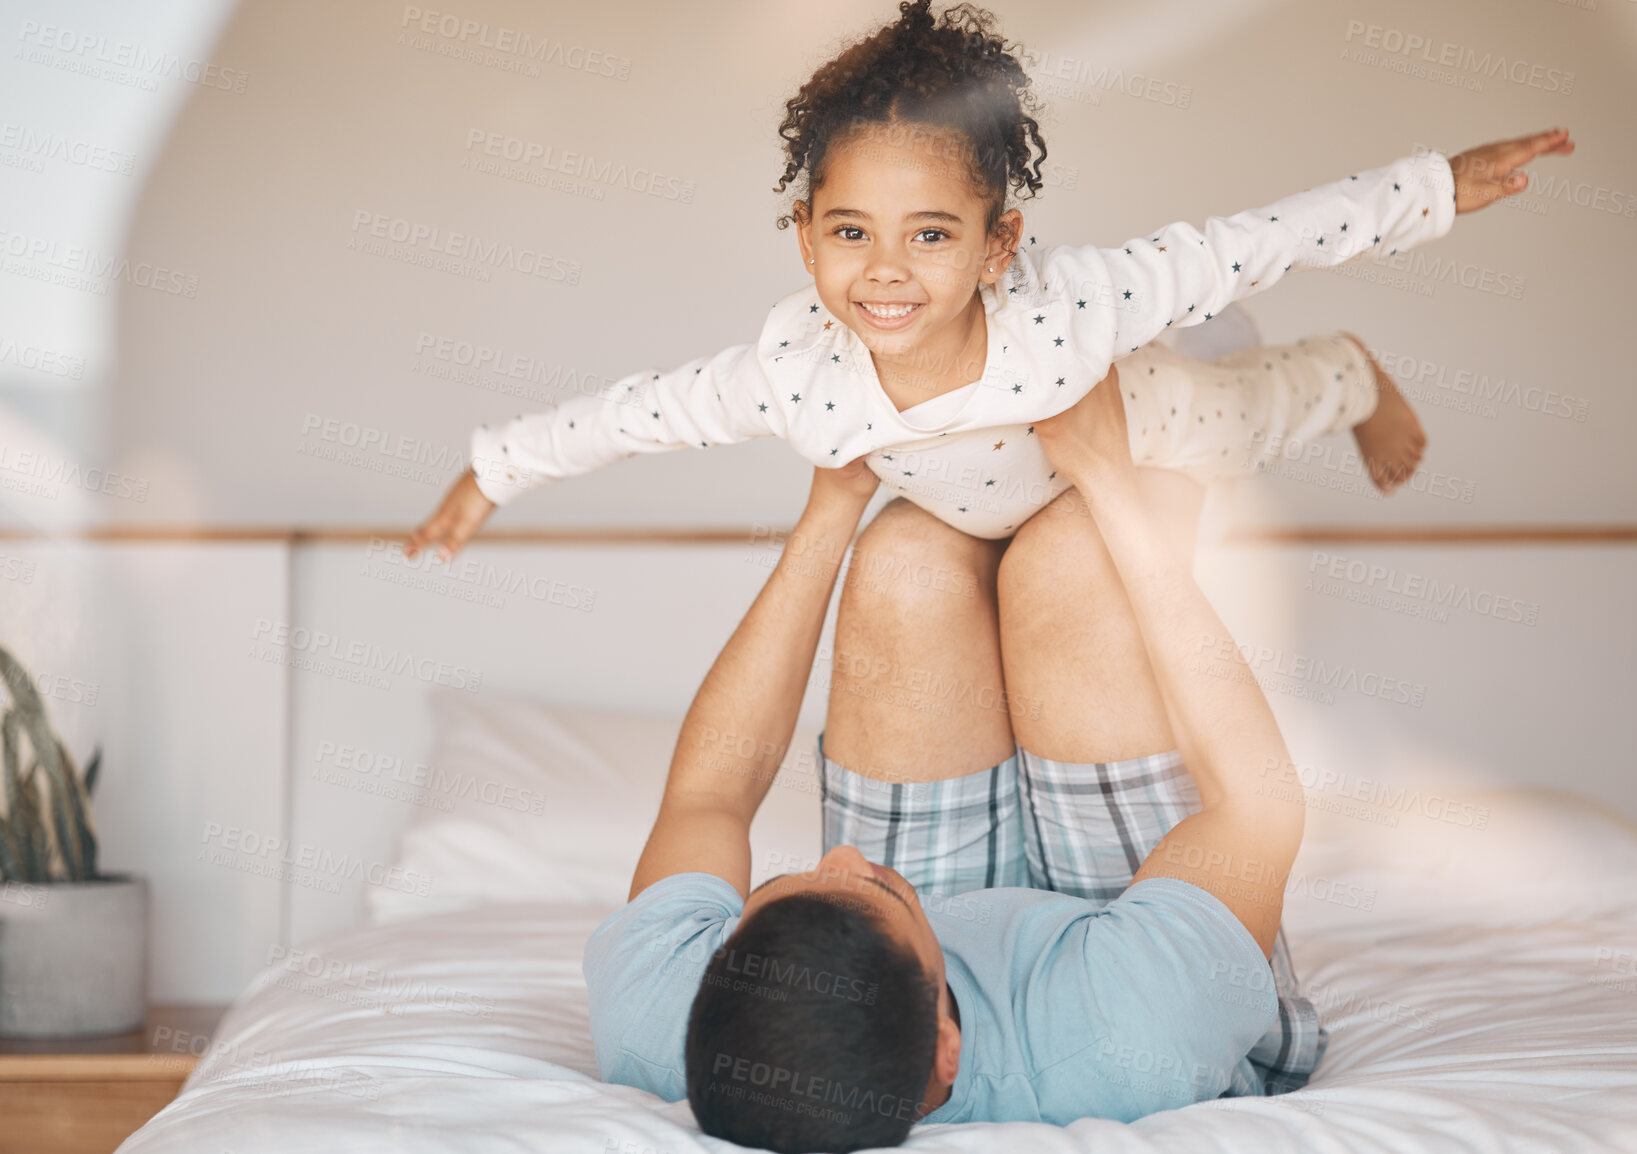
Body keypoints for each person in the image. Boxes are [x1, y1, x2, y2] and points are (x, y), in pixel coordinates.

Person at [405, 0, 1572, 562]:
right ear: (804, 235)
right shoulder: (797, 372)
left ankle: (1348, 373)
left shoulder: (1072, 300)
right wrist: (493, 469)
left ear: (998, 244)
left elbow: (1248, 239)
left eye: (930, 236)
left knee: (1248, 411)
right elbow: (641, 411)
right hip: (992, 513)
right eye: (852, 232)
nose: (886, 274)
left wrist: (1434, 186)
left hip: (1150, 420)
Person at [583, 367, 1339, 1152]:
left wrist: (831, 507)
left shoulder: (657, 1013)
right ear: (948, 1047)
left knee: (905, 554)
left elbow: (708, 795)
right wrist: (1111, 481)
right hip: (1114, 950)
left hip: (923, 950)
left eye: (789, 882)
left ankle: (1001, 434)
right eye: (872, 885)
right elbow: (1257, 804)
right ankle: (1210, 401)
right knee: (1077, 548)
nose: (842, 855)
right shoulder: (1134, 1028)